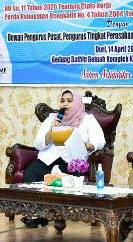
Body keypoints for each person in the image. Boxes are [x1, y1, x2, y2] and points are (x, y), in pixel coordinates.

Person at [22, 89, 105, 228]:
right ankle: (36, 214)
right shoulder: (51, 119)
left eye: (69, 101)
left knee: (60, 174)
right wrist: (51, 131)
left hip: (72, 162)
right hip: (48, 159)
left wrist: (85, 145)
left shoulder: (87, 119)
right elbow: (38, 144)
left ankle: (56, 214)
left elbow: (100, 141)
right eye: (62, 101)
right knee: (32, 170)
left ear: (77, 103)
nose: (65, 104)